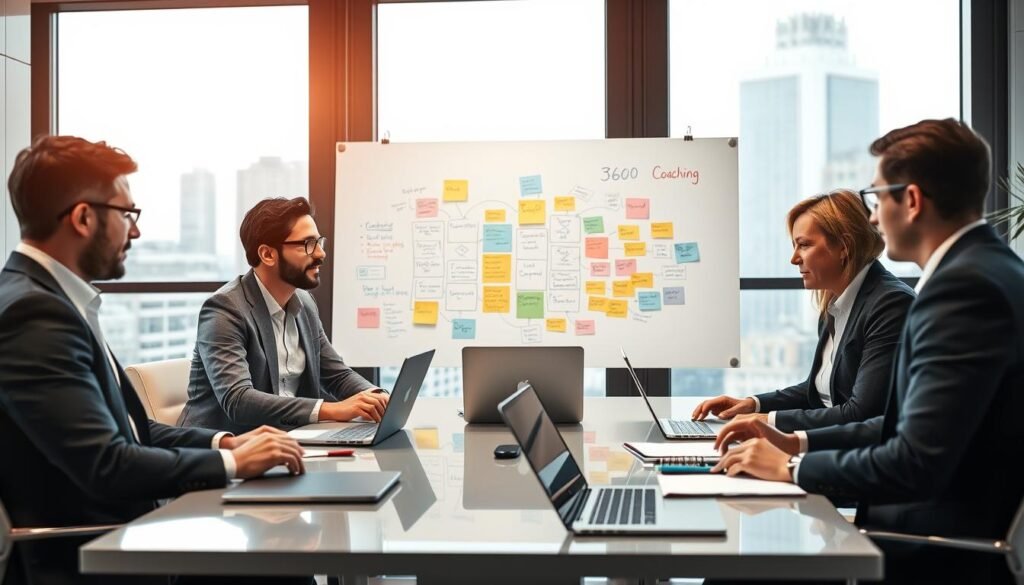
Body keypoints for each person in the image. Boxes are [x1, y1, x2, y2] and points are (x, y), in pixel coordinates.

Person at [711, 118, 1024, 584]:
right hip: (926, 526)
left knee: (732, 570)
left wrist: (792, 467)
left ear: (912, 200)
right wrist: (793, 444)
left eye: (876, 198)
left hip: (928, 550)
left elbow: (914, 461)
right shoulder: (991, 269)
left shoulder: (964, 289)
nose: (873, 217)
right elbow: (903, 425)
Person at [0, 135, 306, 585]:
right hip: (96, 556)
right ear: (84, 217)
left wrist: (224, 444)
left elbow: (129, 430)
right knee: (279, 562)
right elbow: (107, 465)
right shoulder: (35, 314)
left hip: (125, 536)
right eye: (127, 214)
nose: (136, 231)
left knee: (283, 556)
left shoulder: (53, 301)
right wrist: (235, 466)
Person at [692, 189, 915, 432]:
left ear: (844, 247)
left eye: (804, 245)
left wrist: (766, 421)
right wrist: (752, 405)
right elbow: (819, 391)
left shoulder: (890, 304)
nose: (794, 259)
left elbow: (862, 413)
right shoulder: (834, 304)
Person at [177, 196, 387, 434]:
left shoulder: (304, 304)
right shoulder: (225, 309)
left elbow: (336, 375)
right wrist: (331, 410)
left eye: (319, 242)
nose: (320, 254)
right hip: (224, 452)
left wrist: (376, 398)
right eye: (307, 244)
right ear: (267, 254)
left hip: (289, 443)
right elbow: (238, 400)